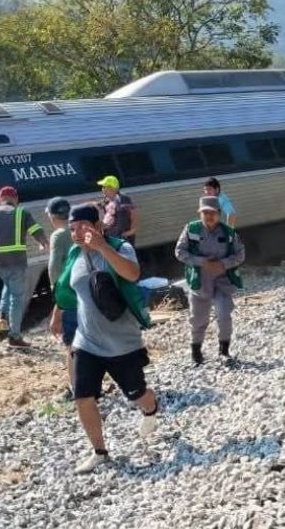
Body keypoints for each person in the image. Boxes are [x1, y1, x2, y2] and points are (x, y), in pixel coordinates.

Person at [49, 205, 160, 475]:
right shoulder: (75, 254)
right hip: (86, 341)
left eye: (82, 227)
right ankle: (100, 452)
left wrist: (101, 247)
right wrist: (57, 315)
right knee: (82, 395)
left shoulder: (119, 247)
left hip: (122, 341)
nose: (76, 233)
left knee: (137, 394)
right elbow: (67, 288)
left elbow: (132, 274)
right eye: (72, 228)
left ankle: (151, 409)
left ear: (97, 226)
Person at [174, 196, 245, 365]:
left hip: (222, 281)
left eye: (212, 212)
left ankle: (224, 351)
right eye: (205, 212)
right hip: (199, 282)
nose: (209, 216)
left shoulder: (229, 233)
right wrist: (201, 262)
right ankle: (196, 351)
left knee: (224, 314)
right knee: (198, 319)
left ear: (219, 214)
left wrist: (223, 264)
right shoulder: (191, 229)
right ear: (200, 214)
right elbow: (179, 252)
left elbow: (240, 254)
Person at [0, 186, 49, 348]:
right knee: (17, 298)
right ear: (15, 199)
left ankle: (2, 313)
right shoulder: (22, 213)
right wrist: (43, 242)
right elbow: (36, 229)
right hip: (17, 261)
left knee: (8, 285)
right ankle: (14, 336)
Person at [45, 197, 76, 395]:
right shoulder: (79, 229)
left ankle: (77, 388)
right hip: (86, 291)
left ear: (52, 216)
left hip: (70, 295)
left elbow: (55, 268)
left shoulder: (59, 235)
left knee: (73, 345)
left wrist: (57, 299)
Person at [97, 175, 139, 245]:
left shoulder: (122, 199)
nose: (102, 189)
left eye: (104, 187)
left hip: (122, 240)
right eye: (102, 187)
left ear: (112, 188)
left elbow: (135, 214)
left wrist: (131, 231)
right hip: (111, 238)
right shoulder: (106, 201)